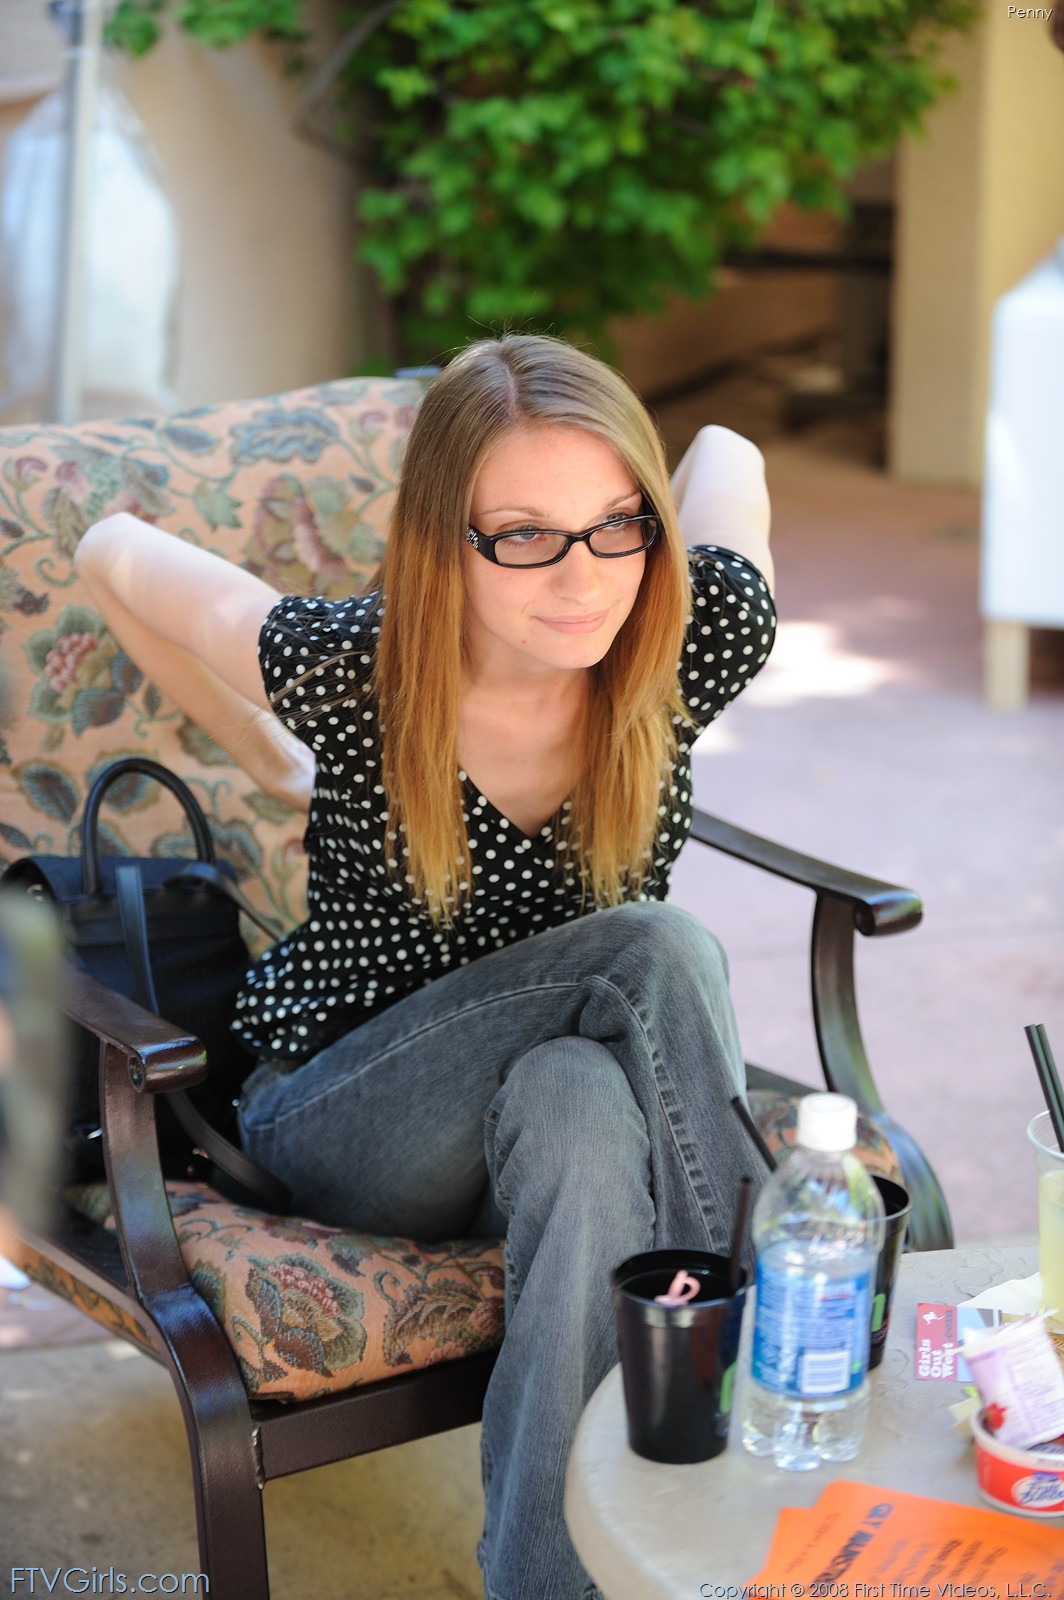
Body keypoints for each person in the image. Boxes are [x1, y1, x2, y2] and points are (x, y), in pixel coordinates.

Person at [75, 333, 777, 1600]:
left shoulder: (681, 634)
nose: (582, 578)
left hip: (530, 1125)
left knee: (575, 1099)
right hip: (344, 1116)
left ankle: (545, 1581)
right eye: (523, 535)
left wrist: (650, 508)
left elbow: (726, 441)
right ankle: (759, 1338)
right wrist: (263, 749)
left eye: (615, 523)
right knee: (652, 945)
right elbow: (107, 551)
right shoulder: (357, 669)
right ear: (441, 543)